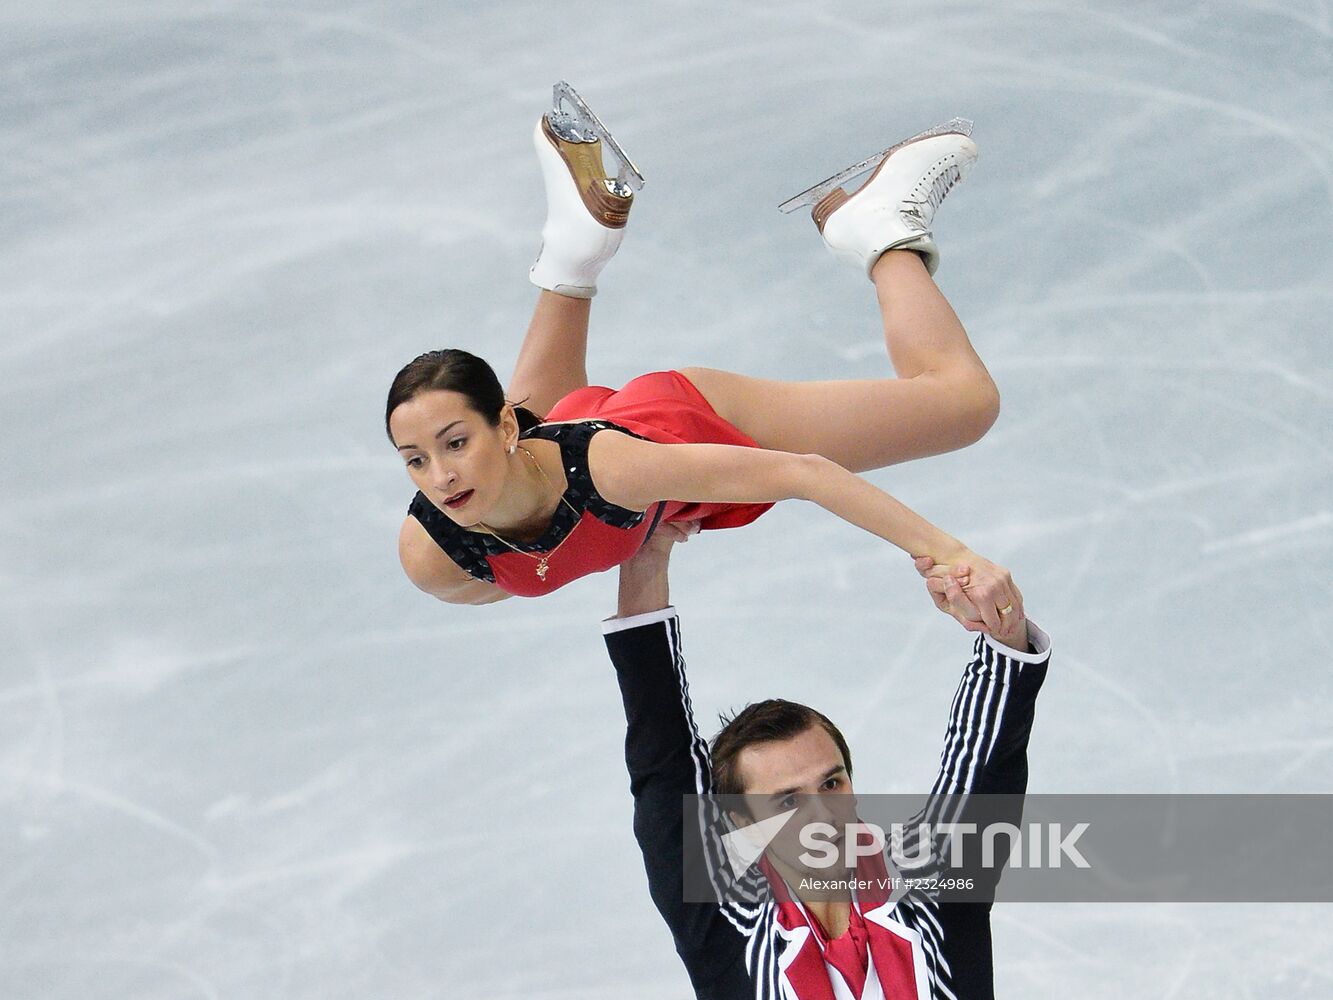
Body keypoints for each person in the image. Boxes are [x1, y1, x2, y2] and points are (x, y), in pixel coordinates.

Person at [389, 99, 1018, 621]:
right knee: (550, 431)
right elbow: (568, 535)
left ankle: (876, 229)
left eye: (454, 444)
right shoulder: (439, 558)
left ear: (499, 428)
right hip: (593, 455)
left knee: (964, 404)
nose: (440, 476)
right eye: (415, 459)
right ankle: (575, 250)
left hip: (683, 418)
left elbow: (804, 475)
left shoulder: (615, 469)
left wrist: (948, 552)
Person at [602, 521, 1051, 999]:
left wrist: (1004, 628)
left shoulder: (928, 884)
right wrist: (646, 556)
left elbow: (984, 760)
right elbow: (661, 753)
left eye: (831, 784)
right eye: (787, 801)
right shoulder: (728, 925)